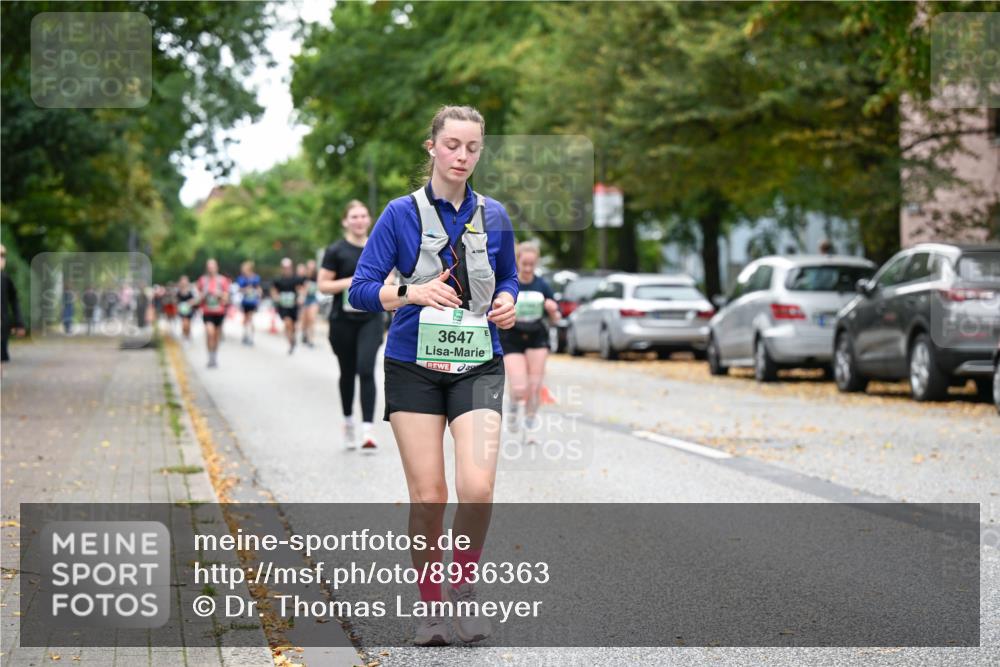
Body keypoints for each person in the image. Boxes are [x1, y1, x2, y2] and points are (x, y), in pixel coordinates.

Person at [348, 105, 517, 646]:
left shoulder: (494, 215)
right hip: (412, 366)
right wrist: (412, 292)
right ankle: (431, 610)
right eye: (452, 145)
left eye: (472, 147)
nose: (462, 156)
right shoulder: (399, 214)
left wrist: (508, 301)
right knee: (429, 496)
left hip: (478, 363)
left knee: (477, 488)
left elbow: (509, 277)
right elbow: (360, 290)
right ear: (433, 147)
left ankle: (462, 592)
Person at [318, 200, 384, 450]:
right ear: (345, 221)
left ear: (369, 219)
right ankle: (348, 422)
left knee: (366, 369)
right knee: (347, 372)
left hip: (370, 318)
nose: (359, 220)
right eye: (354, 216)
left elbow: (389, 276)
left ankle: (368, 430)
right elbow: (323, 285)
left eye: (363, 216)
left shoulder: (378, 247)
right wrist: (351, 282)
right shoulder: (336, 251)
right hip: (342, 321)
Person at [499, 242, 560, 442]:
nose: (527, 268)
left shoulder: (542, 285)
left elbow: (557, 318)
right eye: (524, 264)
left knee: (534, 386)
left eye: (531, 264)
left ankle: (530, 426)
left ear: (536, 263)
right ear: (517, 261)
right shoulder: (509, 284)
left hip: (537, 337)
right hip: (512, 337)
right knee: (519, 387)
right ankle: (514, 404)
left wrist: (552, 310)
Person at [196, 259, 230, 368]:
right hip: (207, 312)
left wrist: (218, 294)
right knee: (210, 333)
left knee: (216, 336)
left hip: (219, 312)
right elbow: (198, 297)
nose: (211, 269)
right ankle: (210, 358)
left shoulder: (223, 280)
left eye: (213, 267)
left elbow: (226, 297)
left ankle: (214, 357)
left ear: (217, 267)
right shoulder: (202, 280)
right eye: (209, 267)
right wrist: (205, 294)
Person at [271, 258, 304, 355]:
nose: (286, 269)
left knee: (293, 325)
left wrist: (301, 297)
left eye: (288, 267)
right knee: (287, 322)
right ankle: (290, 343)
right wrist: (275, 297)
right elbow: (273, 289)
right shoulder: (278, 279)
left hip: (293, 305)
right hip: (283, 305)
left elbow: (302, 288)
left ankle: (293, 338)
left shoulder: (296, 278)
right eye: (284, 267)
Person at [1, 245, 25, 362]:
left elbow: (14, 301)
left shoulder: (5, 279)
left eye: (3, 256)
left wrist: (19, 323)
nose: (2, 259)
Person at [236, 261, 261, 345]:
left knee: (250, 318)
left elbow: (258, 288)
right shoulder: (241, 278)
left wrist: (258, 294)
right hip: (245, 301)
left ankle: (250, 336)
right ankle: (246, 334)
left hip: (253, 301)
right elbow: (239, 289)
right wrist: (246, 289)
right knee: (245, 318)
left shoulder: (255, 278)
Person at [300, 259, 320, 348]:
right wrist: (303, 293)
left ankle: (311, 340)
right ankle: (304, 334)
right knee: (305, 320)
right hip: (305, 300)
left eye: (312, 267)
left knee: (312, 319)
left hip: (313, 299)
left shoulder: (317, 277)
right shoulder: (303, 278)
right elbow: (300, 288)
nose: (311, 269)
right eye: (309, 267)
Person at [176, 276, 197, 341]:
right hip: (182, 310)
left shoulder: (191, 290)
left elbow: (195, 299)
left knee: (188, 324)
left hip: (189, 309)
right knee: (184, 323)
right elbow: (176, 300)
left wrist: (190, 303)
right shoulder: (178, 291)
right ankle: (184, 335)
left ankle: (188, 335)